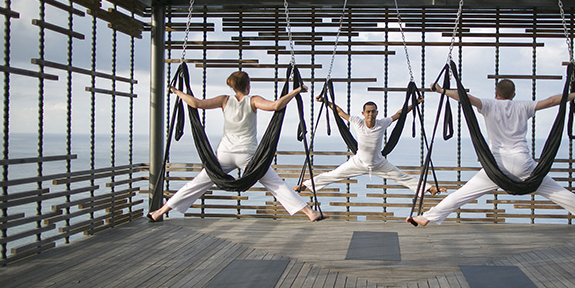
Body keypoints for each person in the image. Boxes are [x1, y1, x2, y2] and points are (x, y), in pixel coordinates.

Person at [408, 78, 575, 229]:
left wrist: (442, 90)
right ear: (513, 95)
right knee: (559, 193)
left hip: (497, 166)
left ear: (496, 93)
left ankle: (428, 217)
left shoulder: (489, 104)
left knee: (463, 194)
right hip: (523, 162)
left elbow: (466, 98)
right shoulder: (523, 106)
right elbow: (553, 101)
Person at [148, 71, 325, 222]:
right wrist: (297, 90)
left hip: (224, 154)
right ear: (248, 86)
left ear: (233, 87)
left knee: (196, 184)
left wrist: (176, 91)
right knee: (276, 185)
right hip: (247, 156)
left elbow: (196, 103)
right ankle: (310, 213)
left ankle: (159, 212)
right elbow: (276, 106)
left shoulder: (224, 100)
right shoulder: (253, 100)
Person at [295, 98, 445, 197]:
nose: (370, 114)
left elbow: (400, 113)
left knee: (402, 177)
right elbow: (340, 112)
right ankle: (305, 186)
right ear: (363, 113)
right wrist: (326, 101)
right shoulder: (357, 122)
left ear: (376, 113)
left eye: (373, 111)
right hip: (358, 162)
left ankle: (429, 188)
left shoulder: (382, 123)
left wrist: (415, 103)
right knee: (332, 175)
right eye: (368, 112)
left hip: (379, 163)